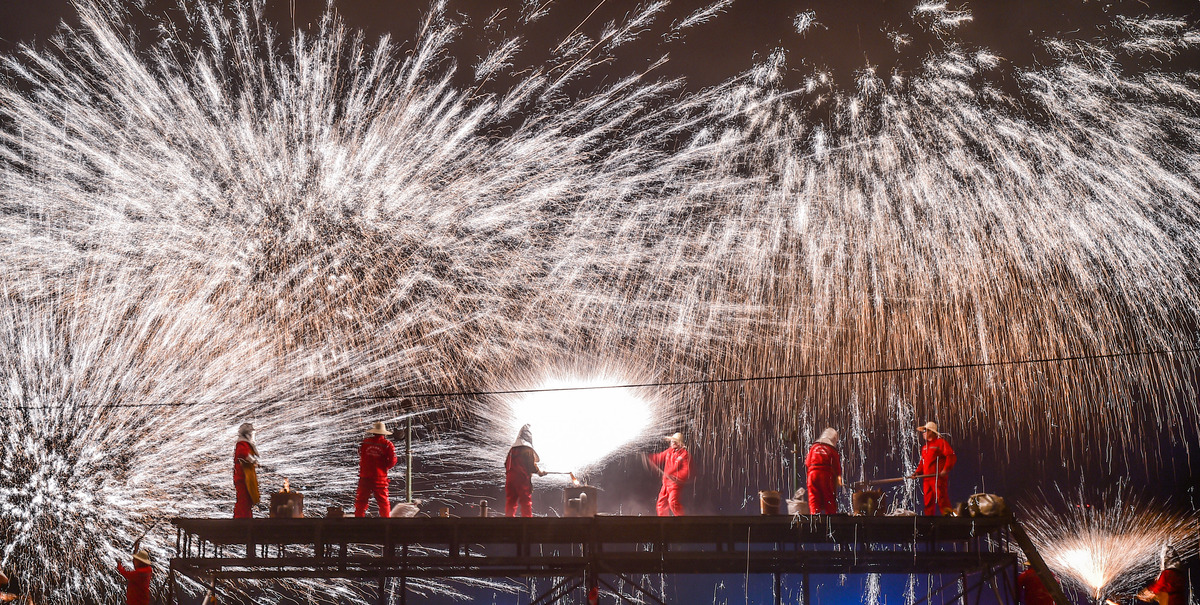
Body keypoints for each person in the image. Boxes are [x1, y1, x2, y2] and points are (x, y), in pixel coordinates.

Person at [910, 421, 956, 515]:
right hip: (927, 479)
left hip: (937, 478)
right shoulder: (924, 448)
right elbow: (922, 462)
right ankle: (929, 523)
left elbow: (951, 456)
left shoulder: (941, 443)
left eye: (925, 430)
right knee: (928, 502)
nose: (923, 433)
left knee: (942, 500)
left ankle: (950, 521)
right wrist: (917, 473)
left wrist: (945, 469)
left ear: (931, 431)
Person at [355, 421, 398, 517]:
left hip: (365, 476)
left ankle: (358, 521)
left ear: (373, 432)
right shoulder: (387, 444)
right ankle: (386, 523)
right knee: (383, 502)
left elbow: (360, 454)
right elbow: (393, 461)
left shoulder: (365, 442)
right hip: (379, 478)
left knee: (361, 501)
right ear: (383, 433)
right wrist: (383, 468)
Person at [504, 424, 546, 517]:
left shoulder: (512, 449)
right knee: (525, 502)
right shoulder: (527, 449)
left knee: (511, 502)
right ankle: (527, 525)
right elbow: (531, 465)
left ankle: (507, 524)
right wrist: (540, 472)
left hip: (510, 480)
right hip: (521, 479)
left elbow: (505, 464)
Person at [647, 432, 691, 516]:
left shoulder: (684, 454)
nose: (673, 442)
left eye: (675, 441)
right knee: (661, 504)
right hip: (666, 483)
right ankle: (663, 523)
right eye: (672, 441)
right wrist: (651, 458)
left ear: (680, 443)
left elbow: (686, 471)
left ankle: (681, 520)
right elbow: (660, 456)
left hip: (675, 484)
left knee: (673, 502)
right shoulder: (669, 451)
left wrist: (675, 477)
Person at [805, 427, 842, 514]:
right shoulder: (832, 450)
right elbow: (837, 467)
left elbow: (807, 463)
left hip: (812, 475)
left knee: (813, 497)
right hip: (825, 475)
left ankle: (814, 518)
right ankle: (831, 520)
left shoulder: (813, 447)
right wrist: (838, 479)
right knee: (828, 497)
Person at [233, 422, 260, 519]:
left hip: (246, 478)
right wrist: (253, 460)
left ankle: (247, 519)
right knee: (243, 501)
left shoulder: (246, 444)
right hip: (242, 478)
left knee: (248, 501)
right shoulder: (242, 444)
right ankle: (241, 519)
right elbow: (242, 454)